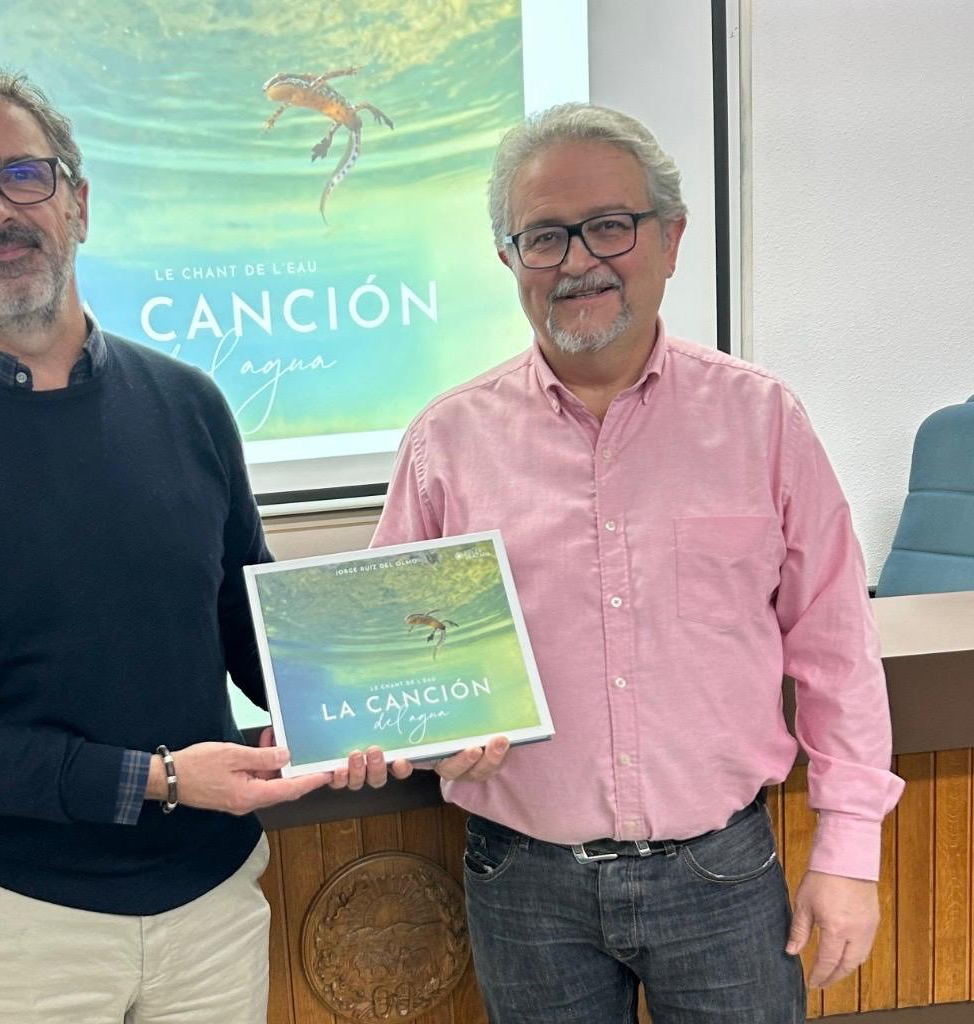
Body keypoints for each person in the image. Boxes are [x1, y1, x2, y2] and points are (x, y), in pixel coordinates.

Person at [0, 65, 376, 1024]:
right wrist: (156, 781)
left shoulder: (190, 405)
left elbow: (252, 630)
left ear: (77, 203)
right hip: (18, 927)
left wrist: (396, 714)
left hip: (211, 902)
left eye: (23, 176)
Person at [372, 103, 904, 1022]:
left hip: (724, 876)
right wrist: (412, 728)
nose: (578, 260)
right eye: (544, 236)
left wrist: (849, 851)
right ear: (509, 259)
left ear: (671, 238)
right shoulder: (446, 444)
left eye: (610, 226)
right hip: (522, 880)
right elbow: (392, 654)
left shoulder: (764, 422)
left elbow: (836, 650)